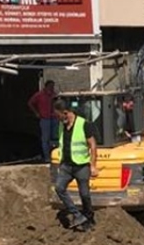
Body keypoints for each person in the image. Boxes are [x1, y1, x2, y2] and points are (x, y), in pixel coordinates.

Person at [53, 99, 97, 232]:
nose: (57, 119)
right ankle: (77, 215)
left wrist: (93, 165)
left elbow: (93, 145)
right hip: (66, 165)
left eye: (58, 115)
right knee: (59, 188)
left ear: (65, 113)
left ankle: (89, 219)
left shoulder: (84, 124)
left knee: (84, 194)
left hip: (81, 165)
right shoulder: (62, 125)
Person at [28, 80, 59, 162]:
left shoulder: (54, 95)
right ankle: (47, 157)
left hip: (54, 118)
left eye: (53, 86)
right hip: (45, 119)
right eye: (51, 86)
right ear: (46, 86)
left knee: (55, 138)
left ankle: (55, 155)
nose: (52, 88)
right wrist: (36, 113)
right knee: (45, 139)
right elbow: (30, 103)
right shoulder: (39, 95)